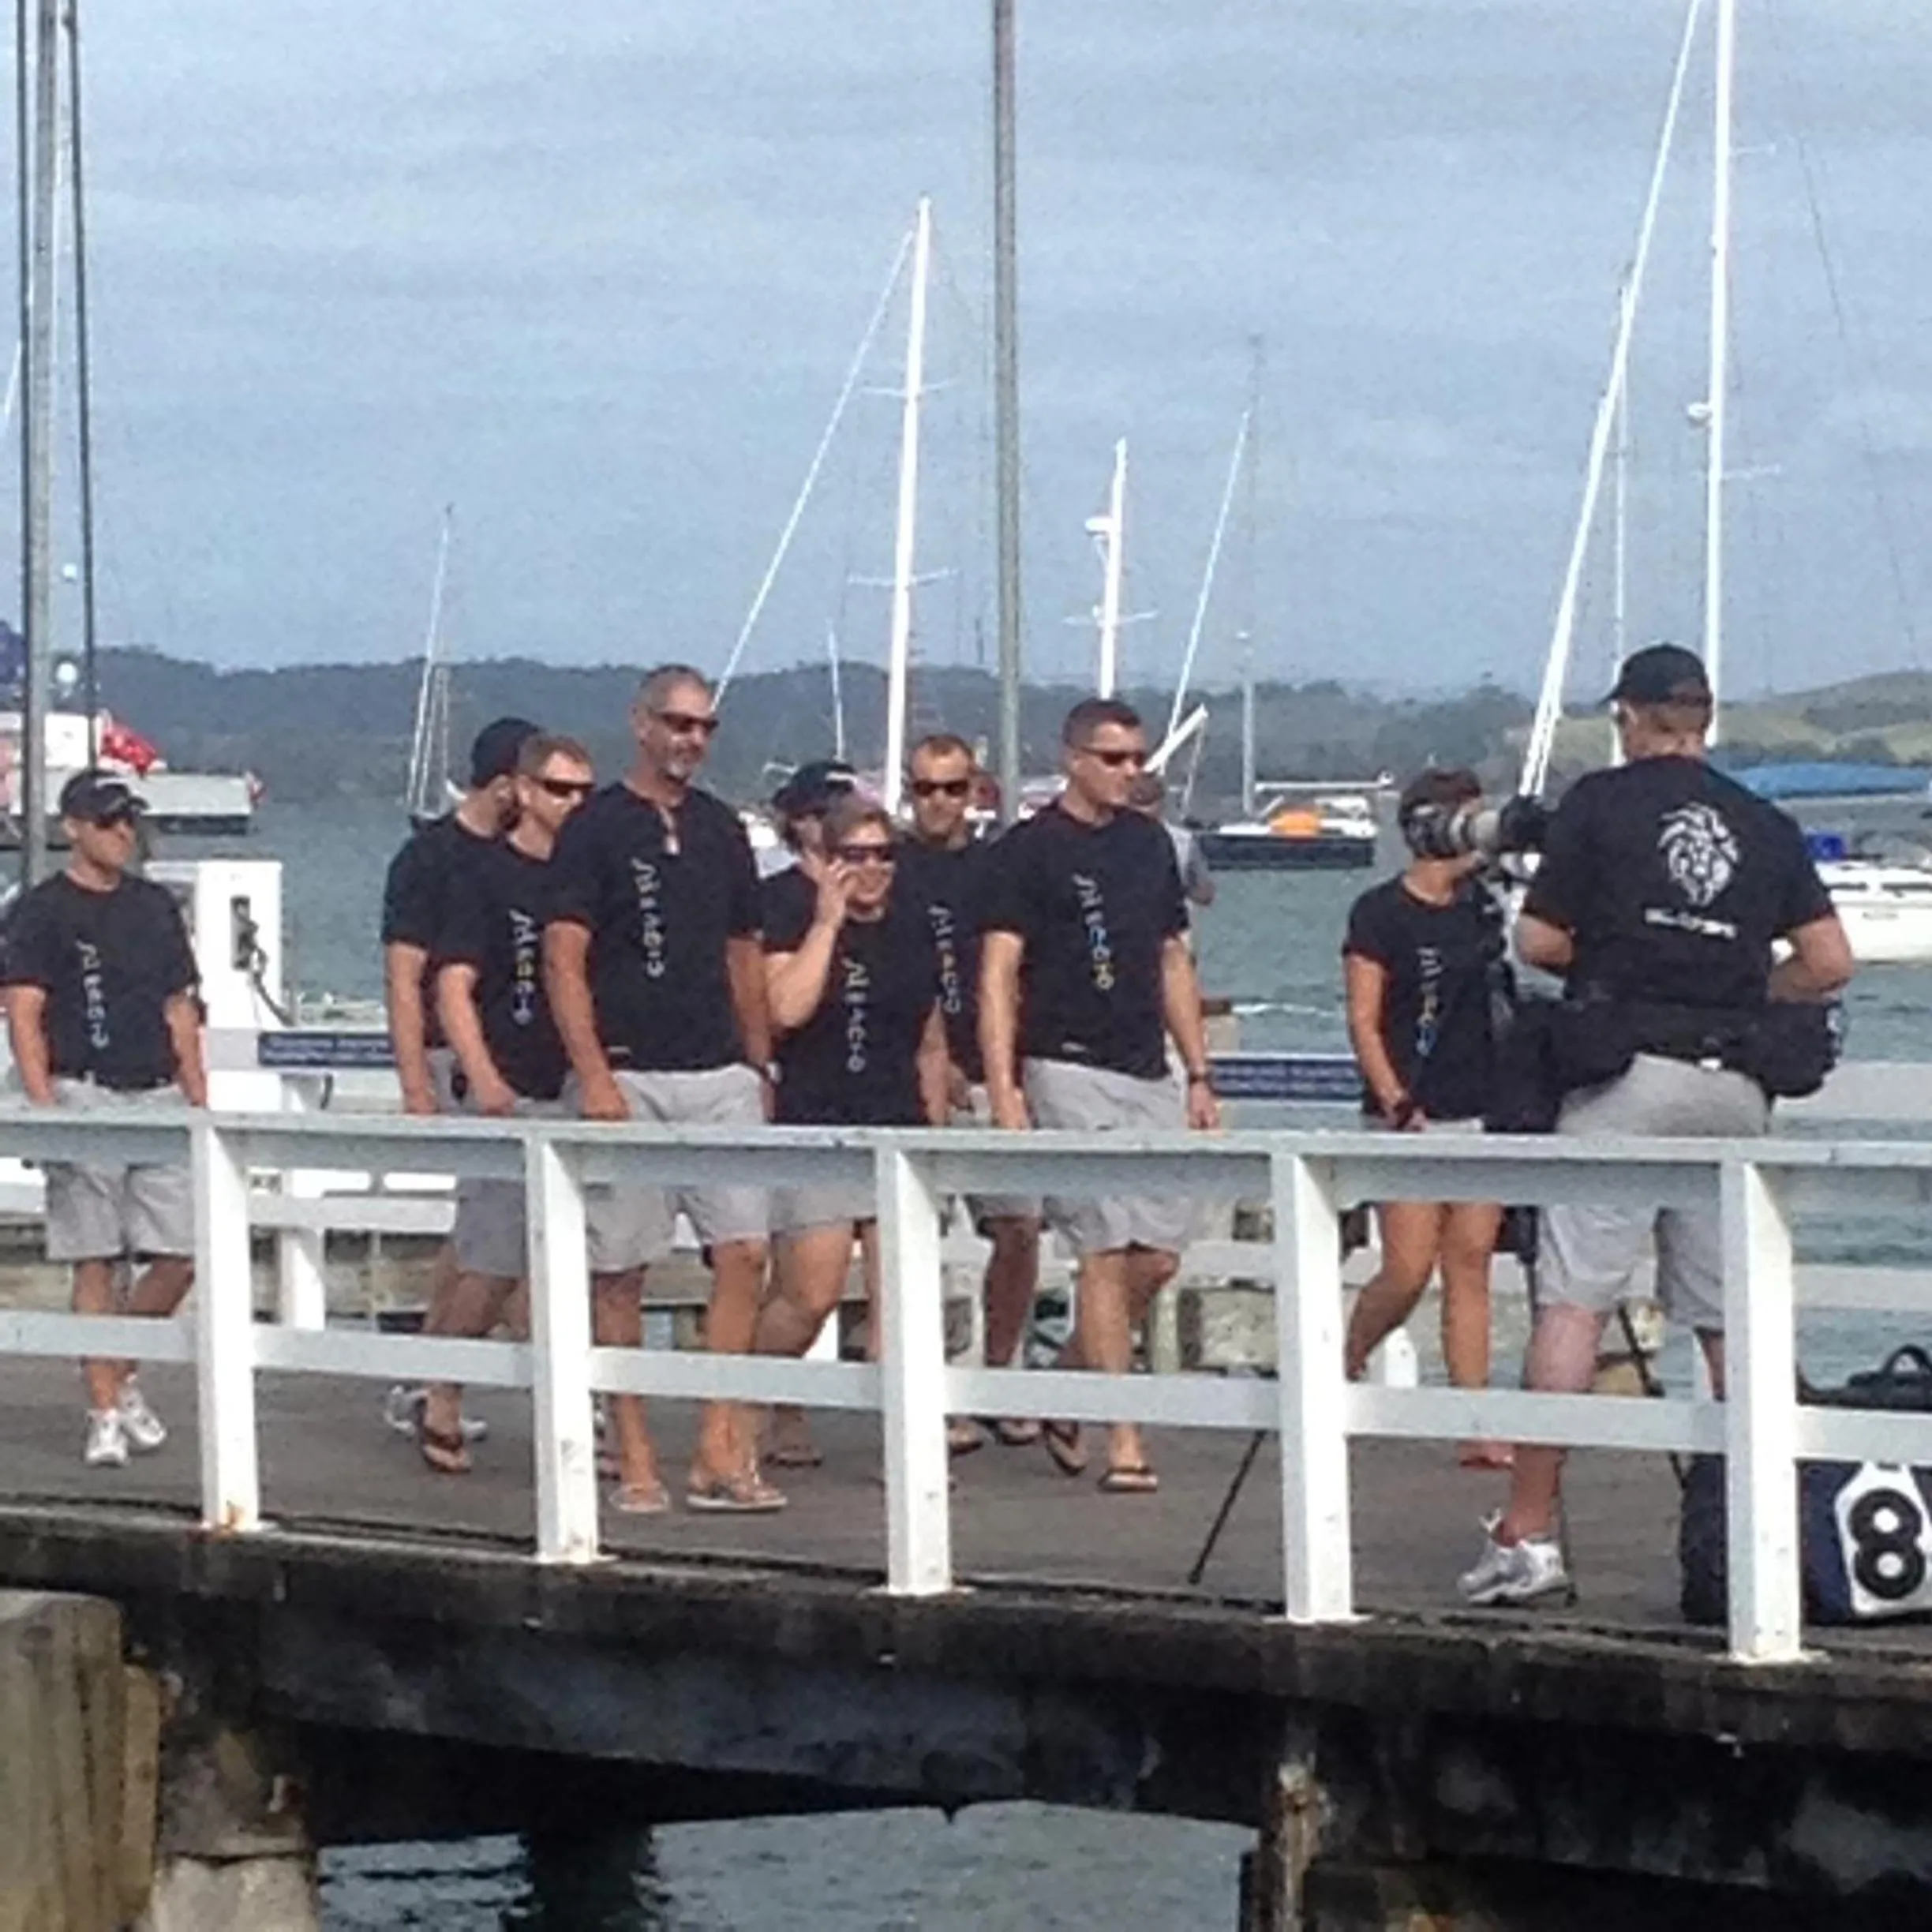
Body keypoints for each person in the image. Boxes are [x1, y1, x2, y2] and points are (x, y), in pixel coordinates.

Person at [1458, 643, 1855, 1606]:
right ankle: (1767, 1531)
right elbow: (1831, 962)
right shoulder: (1765, 821)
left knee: (1573, 1304)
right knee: (1730, 1324)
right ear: (1705, 721)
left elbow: (1540, 940)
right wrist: (1737, 983)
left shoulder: (1600, 801)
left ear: (1631, 718)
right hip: (1735, 1087)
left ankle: (1530, 1535)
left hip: (1626, 1073)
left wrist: (1630, 962)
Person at [545, 664, 781, 1515]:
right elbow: (565, 958)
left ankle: (721, 1442)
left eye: (706, 727)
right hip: (628, 1068)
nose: (693, 740)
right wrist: (596, 1074)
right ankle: (634, 1447)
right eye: (679, 724)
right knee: (621, 1269)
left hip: (717, 1069)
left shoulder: (721, 830)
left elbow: (743, 953)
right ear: (642, 725)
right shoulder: (597, 828)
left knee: (745, 1252)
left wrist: (761, 1066)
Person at [979, 697, 1220, 1495]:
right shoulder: (1028, 850)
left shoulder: (1151, 846)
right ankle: (1122, 1436)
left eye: (1137, 759)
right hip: (1066, 1063)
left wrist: (1199, 1071)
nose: (1130, 773)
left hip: (1144, 1064)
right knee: (1102, 1249)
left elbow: (1171, 960)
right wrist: (1006, 1085)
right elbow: (998, 975)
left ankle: (1069, 1382)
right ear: (1075, 757)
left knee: (1156, 1256)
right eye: (1114, 759)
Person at [2, 771, 204, 1467]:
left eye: (129, 821)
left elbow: (181, 1007)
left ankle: (117, 1372)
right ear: (75, 828)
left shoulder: (154, 907)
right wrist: (42, 1101)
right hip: (81, 1089)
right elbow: (24, 1011)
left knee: (182, 1254)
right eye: (109, 820)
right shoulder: (41, 911)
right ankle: (105, 1411)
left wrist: (198, 1100)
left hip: (155, 1092)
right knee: (97, 1254)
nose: (124, 832)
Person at [751, 796, 949, 1453]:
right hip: (818, 1122)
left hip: (898, 1123)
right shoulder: (790, 913)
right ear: (824, 860)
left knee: (903, 1301)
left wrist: (937, 1136)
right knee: (809, 1295)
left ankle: (908, 1444)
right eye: (853, 856)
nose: (870, 869)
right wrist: (829, 924)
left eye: (882, 855)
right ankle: (750, 1398)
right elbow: (785, 1010)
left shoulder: (914, 925)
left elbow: (929, 1041)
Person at [423, 735, 596, 1473]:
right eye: (560, 790)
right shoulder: (484, 875)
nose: (574, 806)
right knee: (493, 1256)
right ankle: (442, 1395)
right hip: (506, 1088)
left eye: (585, 792)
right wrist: (483, 1076)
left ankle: (577, 1406)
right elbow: (450, 987)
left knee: (575, 1260)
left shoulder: (587, 877)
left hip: (573, 1088)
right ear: (523, 790)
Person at [1341, 768, 1510, 1469]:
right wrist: (1392, 1096)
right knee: (1408, 1267)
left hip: (1480, 1106)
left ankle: (1475, 1420)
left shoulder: (1485, 911)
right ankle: (1341, 1363)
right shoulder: (1380, 912)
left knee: (1470, 1266)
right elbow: (1364, 1017)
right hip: (1406, 1110)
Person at [378, 715, 537, 1443]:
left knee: (477, 1228)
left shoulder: (526, 857)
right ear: (506, 782)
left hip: (513, 1060)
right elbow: (406, 976)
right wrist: (415, 1081)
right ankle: (441, 1382)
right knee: (497, 1227)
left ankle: (423, 1375)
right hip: (455, 1059)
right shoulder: (431, 858)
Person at [895, 731, 1044, 1457]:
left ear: (975, 790)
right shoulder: (887, 868)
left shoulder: (998, 869)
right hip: (913, 1075)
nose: (939, 803)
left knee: (1017, 1230)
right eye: (925, 788)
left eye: (952, 788)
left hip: (992, 1072)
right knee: (924, 1246)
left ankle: (1002, 1373)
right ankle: (939, 1390)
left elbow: (1017, 974)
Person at [760, 758, 859, 940]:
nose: (838, 822)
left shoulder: (874, 889)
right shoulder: (775, 898)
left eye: (849, 813)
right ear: (796, 820)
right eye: (825, 813)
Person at [1129, 770, 1215, 908]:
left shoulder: (1184, 841)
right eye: (1140, 803)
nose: (1144, 811)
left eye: (1148, 802)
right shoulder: (1111, 839)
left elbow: (1205, 894)